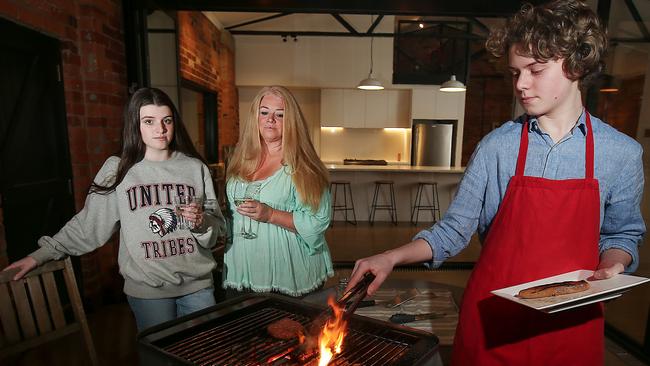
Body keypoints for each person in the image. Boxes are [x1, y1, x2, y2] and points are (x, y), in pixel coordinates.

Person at [346, 1, 645, 364]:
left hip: (570, 326)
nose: (520, 84)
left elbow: (622, 235)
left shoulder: (621, 153)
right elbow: (454, 231)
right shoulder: (497, 146)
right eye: (515, 72)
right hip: (494, 325)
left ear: (576, 64)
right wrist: (391, 256)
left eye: (535, 70)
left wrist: (613, 265)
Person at [2, 87, 227, 331]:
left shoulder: (195, 168)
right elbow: (89, 225)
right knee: (160, 358)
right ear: (135, 124)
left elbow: (217, 228)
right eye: (149, 121)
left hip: (198, 286)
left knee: (204, 354)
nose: (160, 130)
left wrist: (201, 222)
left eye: (167, 120)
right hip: (148, 290)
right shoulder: (117, 169)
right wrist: (40, 255)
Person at [223, 85, 333, 297]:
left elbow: (318, 222)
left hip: (287, 274)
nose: (270, 119)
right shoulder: (240, 160)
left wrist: (270, 214)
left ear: (291, 121)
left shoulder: (304, 167)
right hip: (241, 271)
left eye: (279, 114)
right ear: (255, 116)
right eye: (264, 112)